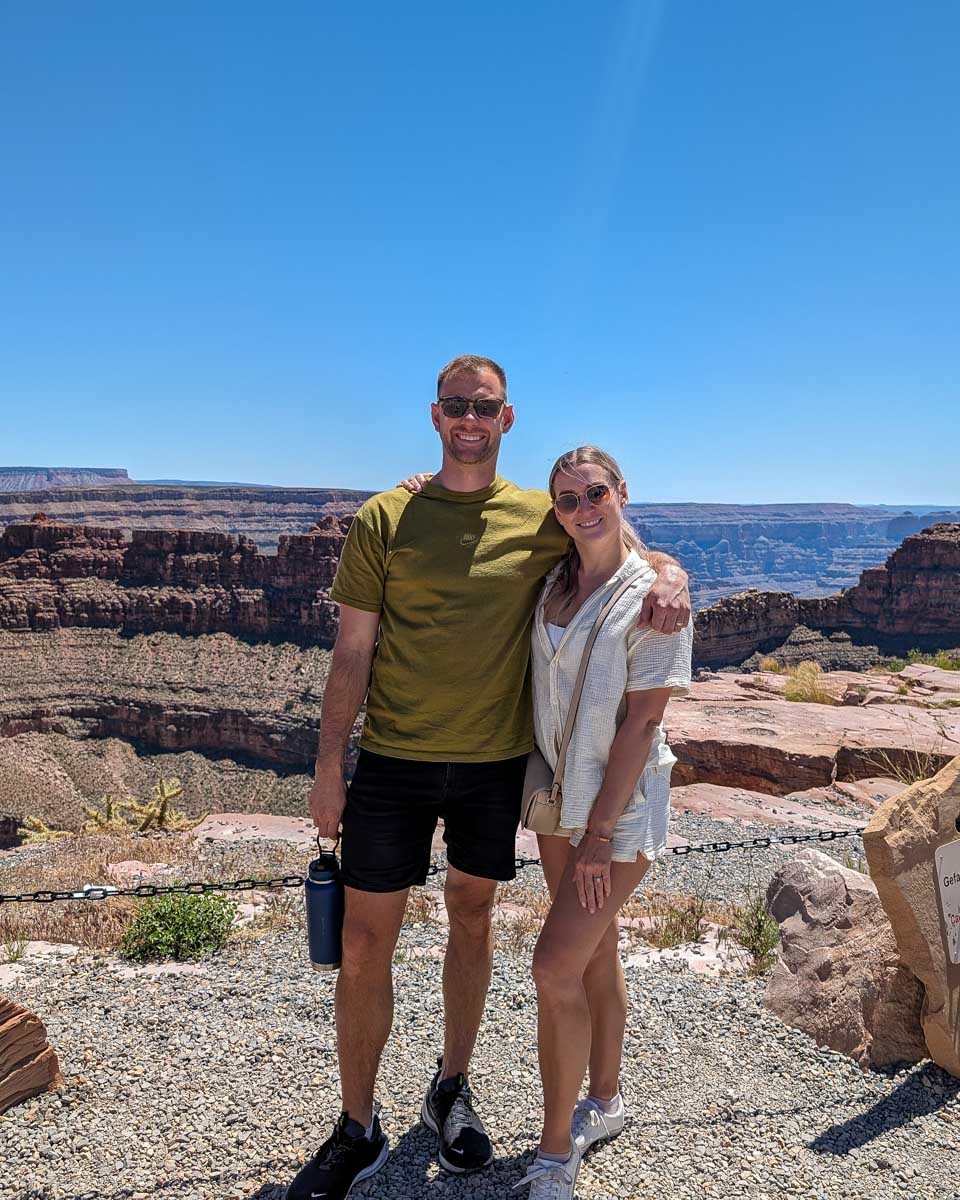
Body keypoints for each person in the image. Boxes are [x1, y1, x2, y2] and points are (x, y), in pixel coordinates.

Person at [286, 356, 690, 1200]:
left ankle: (451, 1089)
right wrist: (330, 765)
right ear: (436, 416)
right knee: (363, 944)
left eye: (487, 407)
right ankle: (356, 1125)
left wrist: (671, 572)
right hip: (393, 761)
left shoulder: (537, 517)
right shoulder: (387, 515)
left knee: (472, 918)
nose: (471, 418)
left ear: (507, 420)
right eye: (456, 406)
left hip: (493, 766)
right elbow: (352, 649)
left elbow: (613, 544)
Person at [514, 446, 693, 1199]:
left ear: (622, 493)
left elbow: (643, 724)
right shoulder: (556, 578)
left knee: (552, 966)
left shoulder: (652, 596)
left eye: (595, 493)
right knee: (592, 953)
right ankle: (608, 1100)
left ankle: (557, 1155)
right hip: (560, 801)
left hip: (611, 813)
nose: (581, 508)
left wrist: (597, 835)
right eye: (566, 498)